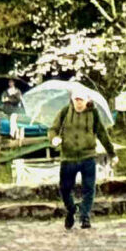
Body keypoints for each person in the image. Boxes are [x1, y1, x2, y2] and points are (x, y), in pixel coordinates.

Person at [53, 87, 113, 230]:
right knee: (65, 188)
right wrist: (54, 138)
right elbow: (53, 129)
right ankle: (71, 209)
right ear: (72, 100)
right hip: (68, 157)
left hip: (88, 157)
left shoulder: (93, 113)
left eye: (81, 100)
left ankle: (85, 215)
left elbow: (102, 134)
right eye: (76, 100)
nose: (78, 103)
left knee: (89, 187)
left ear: (87, 101)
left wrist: (112, 153)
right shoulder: (65, 112)